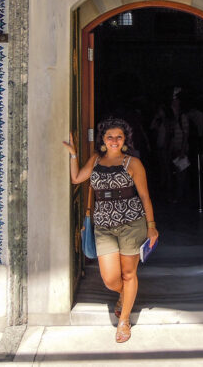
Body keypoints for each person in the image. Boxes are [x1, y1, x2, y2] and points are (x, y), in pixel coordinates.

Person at [63, 118, 158, 343]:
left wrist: (152, 227)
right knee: (109, 278)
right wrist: (73, 155)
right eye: (109, 137)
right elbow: (76, 179)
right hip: (103, 226)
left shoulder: (132, 163)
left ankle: (124, 320)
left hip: (132, 224)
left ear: (125, 140)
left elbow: (144, 196)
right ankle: (125, 294)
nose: (114, 141)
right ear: (103, 140)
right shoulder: (96, 159)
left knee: (128, 274)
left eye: (119, 137)